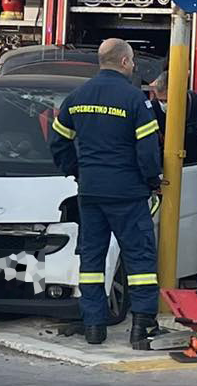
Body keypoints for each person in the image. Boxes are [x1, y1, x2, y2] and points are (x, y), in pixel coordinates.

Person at [49, 39, 165, 348]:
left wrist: (77, 171)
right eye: (132, 62)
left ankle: (94, 327)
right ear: (125, 62)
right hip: (128, 193)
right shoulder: (135, 100)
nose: (133, 66)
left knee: (92, 259)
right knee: (139, 259)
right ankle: (142, 326)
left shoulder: (77, 97)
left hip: (91, 192)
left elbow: (58, 142)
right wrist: (152, 180)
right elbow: (148, 151)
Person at [146, 73, 197, 164]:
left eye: (167, 100)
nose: (164, 104)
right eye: (160, 100)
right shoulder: (153, 109)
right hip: (166, 162)